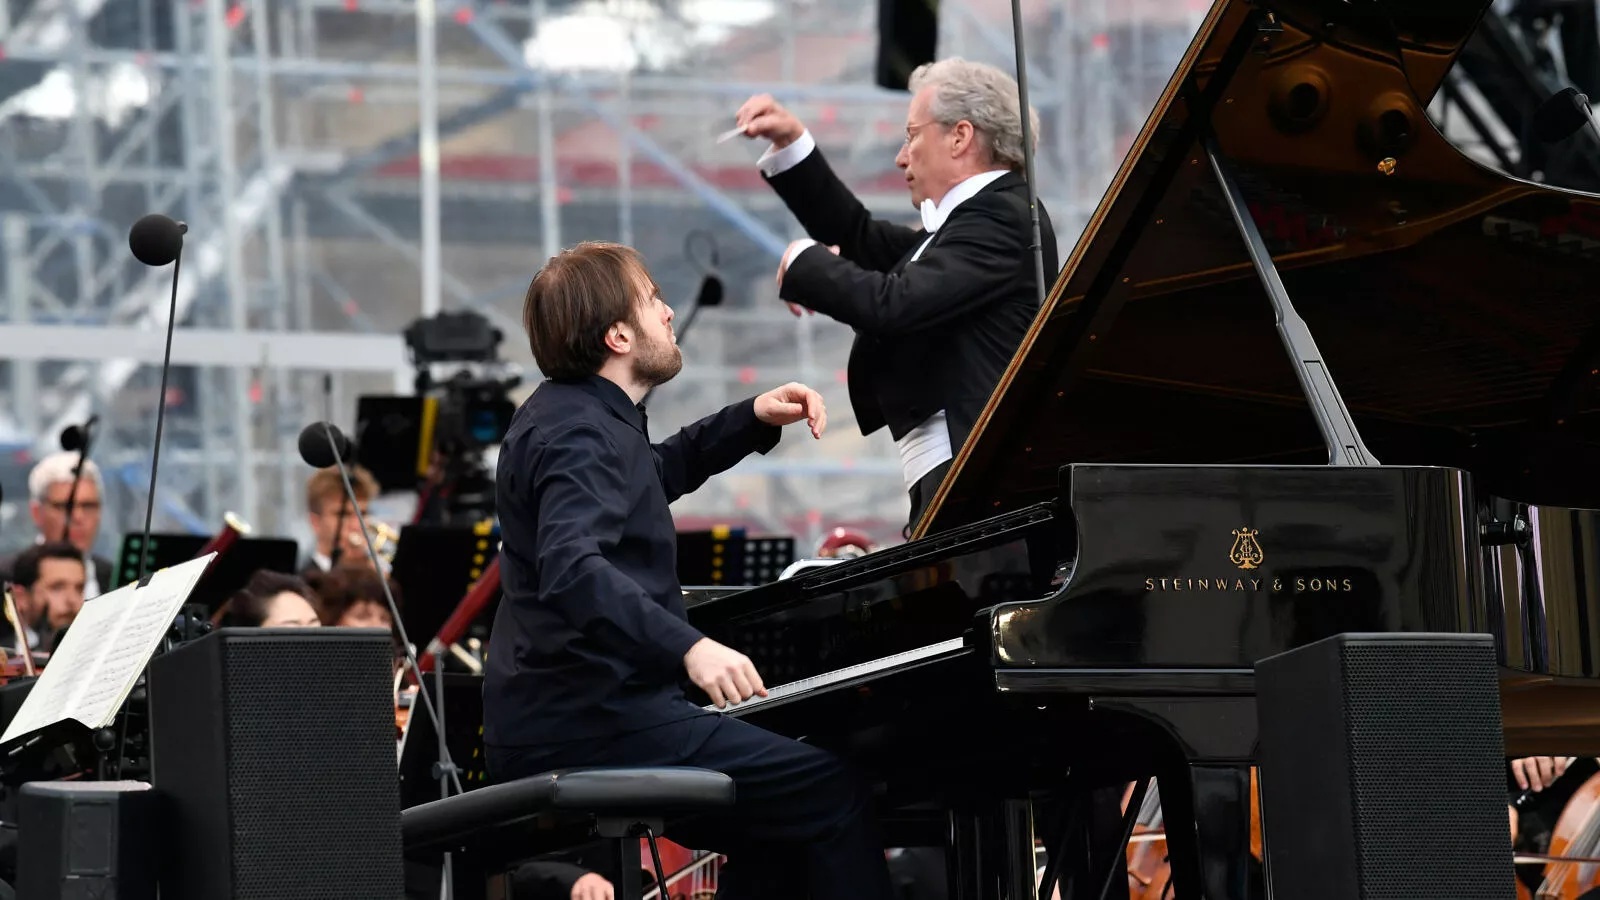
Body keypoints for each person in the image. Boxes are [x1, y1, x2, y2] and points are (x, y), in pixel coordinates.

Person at [482, 241, 895, 900]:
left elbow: (652, 473)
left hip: (580, 717)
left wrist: (750, 419)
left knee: (778, 822)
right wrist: (692, 648)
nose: (670, 313)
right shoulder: (578, 433)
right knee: (830, 790)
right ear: (618, 334)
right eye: (653, 300)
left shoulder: (578, 419)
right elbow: (571, 567)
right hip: (595, 724)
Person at [733, 57, 1060, 528]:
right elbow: (859, 236)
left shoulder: (1002, 217)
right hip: (954, 474)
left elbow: (892, 304)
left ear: (960, 137)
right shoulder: (970, 224)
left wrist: (802, 261)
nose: (901, 156)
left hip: (975, 478)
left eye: (911, 135)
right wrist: (791, 144)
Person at [0, 452, 113, 597]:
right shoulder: (7, 578)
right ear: (36, 512)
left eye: (88, 506)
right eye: (64, 506)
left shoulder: (115, 579)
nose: (77, 517)